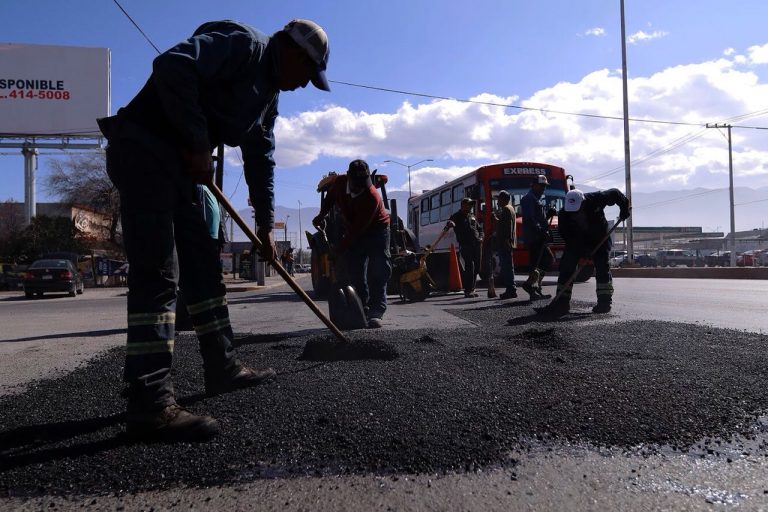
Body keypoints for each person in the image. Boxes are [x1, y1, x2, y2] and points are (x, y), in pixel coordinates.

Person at [97, 19, 331, 442]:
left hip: (184, 170)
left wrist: (264, 222)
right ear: (293, 52)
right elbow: (172, 66)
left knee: (204, 267)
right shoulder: (244, 46)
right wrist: (199, 142)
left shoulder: (270, 95)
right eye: (307, 75)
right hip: (145, 151)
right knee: (159, 273)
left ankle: (222, 367)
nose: (303, 86)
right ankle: (149, 403)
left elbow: (262, 156)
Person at [312, 160, 392, 328]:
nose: (362, 187)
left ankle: (376, 311)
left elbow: (356, 230)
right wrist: (322, 215)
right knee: (356, 271)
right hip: (353, 227)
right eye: (358, 183)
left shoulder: (371, 196)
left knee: (378, 269)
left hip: (376, 231)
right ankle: (362, 308)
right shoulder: (340, 183)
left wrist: (338, 250)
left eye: (365, 183)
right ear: (348, 177)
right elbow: (331, 198)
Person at [538, 188, 630, 316]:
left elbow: (615, 194)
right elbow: (568, 237)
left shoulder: (596, 198)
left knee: (602, 266)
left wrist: (624, 208)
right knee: (567, 266)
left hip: (600, 239)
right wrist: (583, 250)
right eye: (572, 212)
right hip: (577, 241)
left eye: (577, 210)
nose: (574, 214)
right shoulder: (564, 214)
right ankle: (562, 303)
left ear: (584, 202)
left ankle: (604, 302)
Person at [520, 175, 553, 299]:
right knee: (541, 261)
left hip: (538, 236)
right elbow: (530, 219)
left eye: (544, 186)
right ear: (534, 185)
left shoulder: (536, 198)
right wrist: (541, 231)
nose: (543, 188)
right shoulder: (529, 199)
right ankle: (531, 286)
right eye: (541, 185)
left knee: (541, 262)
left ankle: (535, 288)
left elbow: (539, 218)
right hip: (534, 237)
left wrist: (548, 216)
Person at [445, 198, 483, 298]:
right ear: (462, 205)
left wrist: (481, 237)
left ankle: (472, 288)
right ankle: (468, 290)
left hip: (476, 244)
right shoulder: (457, 216)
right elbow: (449, 223)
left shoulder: (472, 216)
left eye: (471, 205)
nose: (470, 206)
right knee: (470, 266)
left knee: (477, 268)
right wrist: (450, 224)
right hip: (466, 245)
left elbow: (479, 228)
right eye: (469, 204)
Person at [495, 190, 517, 300]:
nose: (497, 201)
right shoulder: (511, 208)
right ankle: (511, 289)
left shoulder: (506, 209)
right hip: (507, 243)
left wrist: (507, 241)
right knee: (508, 266)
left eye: (498, 199)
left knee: (507, 267)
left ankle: (511, 289)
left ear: (503, 199)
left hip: (505, 243)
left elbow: (508, 227)